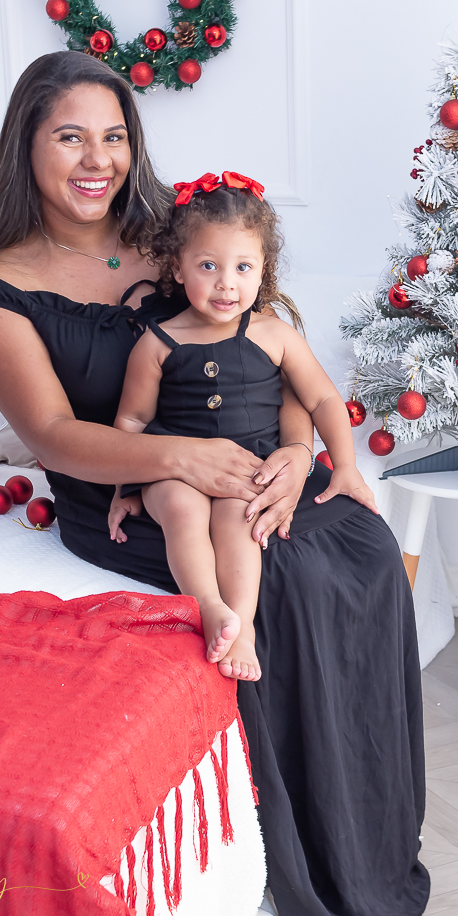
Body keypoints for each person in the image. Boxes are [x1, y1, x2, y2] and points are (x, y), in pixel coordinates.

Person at [0, 51, 430, 916]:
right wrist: (189, 463)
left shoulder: (171, 241)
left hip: (248, 458)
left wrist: (297, 454)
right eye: (70, 137)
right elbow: (54, 436)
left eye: (114, 137)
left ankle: (367, 819)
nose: (97, 159)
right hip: (123, 494)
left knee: (360, 545)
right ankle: (307, 849)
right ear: (25, 147)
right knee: (281, 575)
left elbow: (269, 349)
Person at [108, 174, 379, 682]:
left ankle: (243, 626)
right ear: (178, 267)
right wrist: (125, 487)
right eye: (208, 266)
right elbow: (132, 421)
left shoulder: (273, 334)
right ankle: (209, 606)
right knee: (183, 513)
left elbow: (321, 397)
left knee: (241, 522)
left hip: (247, 471)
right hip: (174, 470)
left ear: (263, 271)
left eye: (242, 267)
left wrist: (346, 467)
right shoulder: (157, 342)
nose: (226, 282)